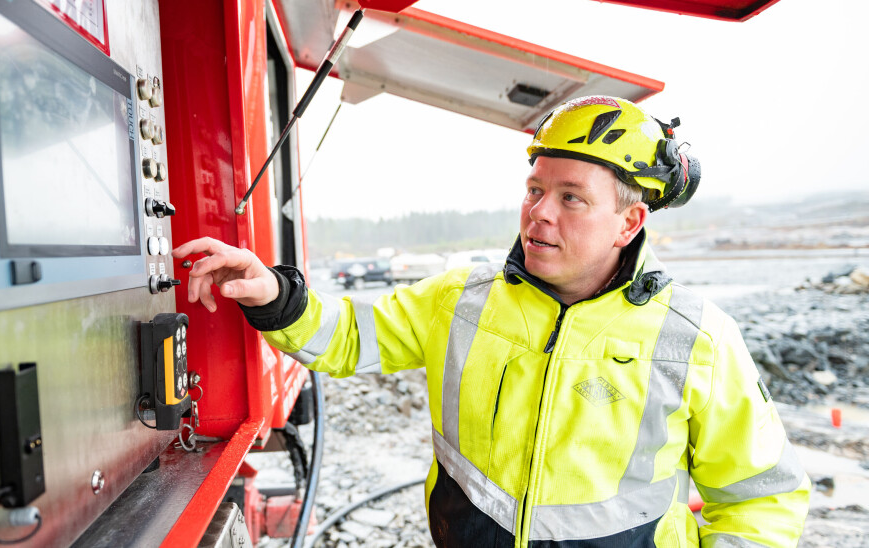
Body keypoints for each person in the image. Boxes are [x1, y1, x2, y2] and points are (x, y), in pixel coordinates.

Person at [172, 96, 810, 547]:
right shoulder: (462, 299)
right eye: (535, 190)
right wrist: (269, 294)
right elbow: (348, 337)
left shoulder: (695, 339)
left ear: (629, 222)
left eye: (571, 198)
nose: (539, 214)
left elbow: (761, 499)